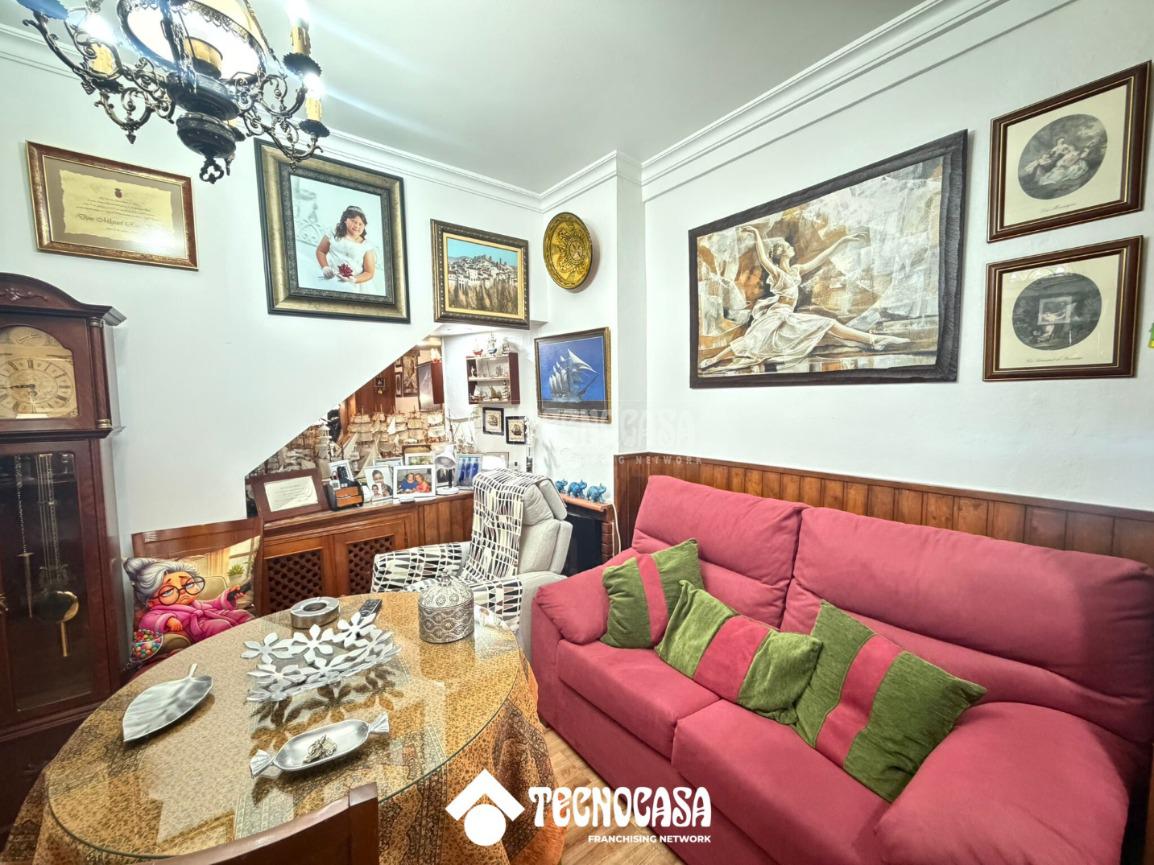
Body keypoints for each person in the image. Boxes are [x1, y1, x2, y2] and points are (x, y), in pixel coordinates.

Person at [701, 226, 908, 372]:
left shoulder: (796, 270)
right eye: (787, 247)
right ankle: (714, 359)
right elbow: (763, 258)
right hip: (776, 315)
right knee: (750, 342)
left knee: (828, 325)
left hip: (787, 316)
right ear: (782, 253)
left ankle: (874, 341)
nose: (791, 248)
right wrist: (756, 233)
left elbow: (821, 259)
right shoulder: (777, 274)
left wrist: (842, 241)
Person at [315, 205, 378, 291]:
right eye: (354, 221)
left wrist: (353, 279)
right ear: (345, 220)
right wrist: (325, 267)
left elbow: (369, 272)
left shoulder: (366, 246)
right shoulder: (334, 233)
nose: (357, 226)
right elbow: (321, 251)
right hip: (332, 276)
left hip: (355, 284)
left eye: (361, 224)